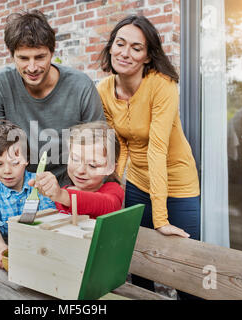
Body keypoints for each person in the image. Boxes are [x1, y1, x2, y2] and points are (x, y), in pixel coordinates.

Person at [0, 10, 104, 238]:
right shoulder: (0, 84)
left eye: (40, 57)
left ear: (52, 52)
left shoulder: (80, 86)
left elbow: (99, 152)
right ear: (12, 55)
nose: (32, 67)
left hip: (65, 198)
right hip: (16, 197)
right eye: (23, 58)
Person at [97, 16, 201, 298]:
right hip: (140, 182)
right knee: (140, 262)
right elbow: (121, 144)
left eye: (136, 48)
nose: (125, 53)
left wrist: (161, 219)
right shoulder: (104, 90)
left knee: (187, 268)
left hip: (178, 182)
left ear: (147, 56)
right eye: (120, 44)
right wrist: (116, 188)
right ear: (110, 47)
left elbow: (157, 148)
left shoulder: (162, 85)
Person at [0, 120, 56, 269]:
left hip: (40, 253)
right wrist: (2, 250)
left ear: (26, 159)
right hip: (9, 256)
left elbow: (50, 220)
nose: (7, 170)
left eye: (14, 163)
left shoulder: (39, 184)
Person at [30, 121, 124, 218]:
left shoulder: (114, 190)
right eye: (75, 160)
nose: (80, 170)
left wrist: (61, 195)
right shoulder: (63, 191)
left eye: (92, 165)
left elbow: (108, 205)